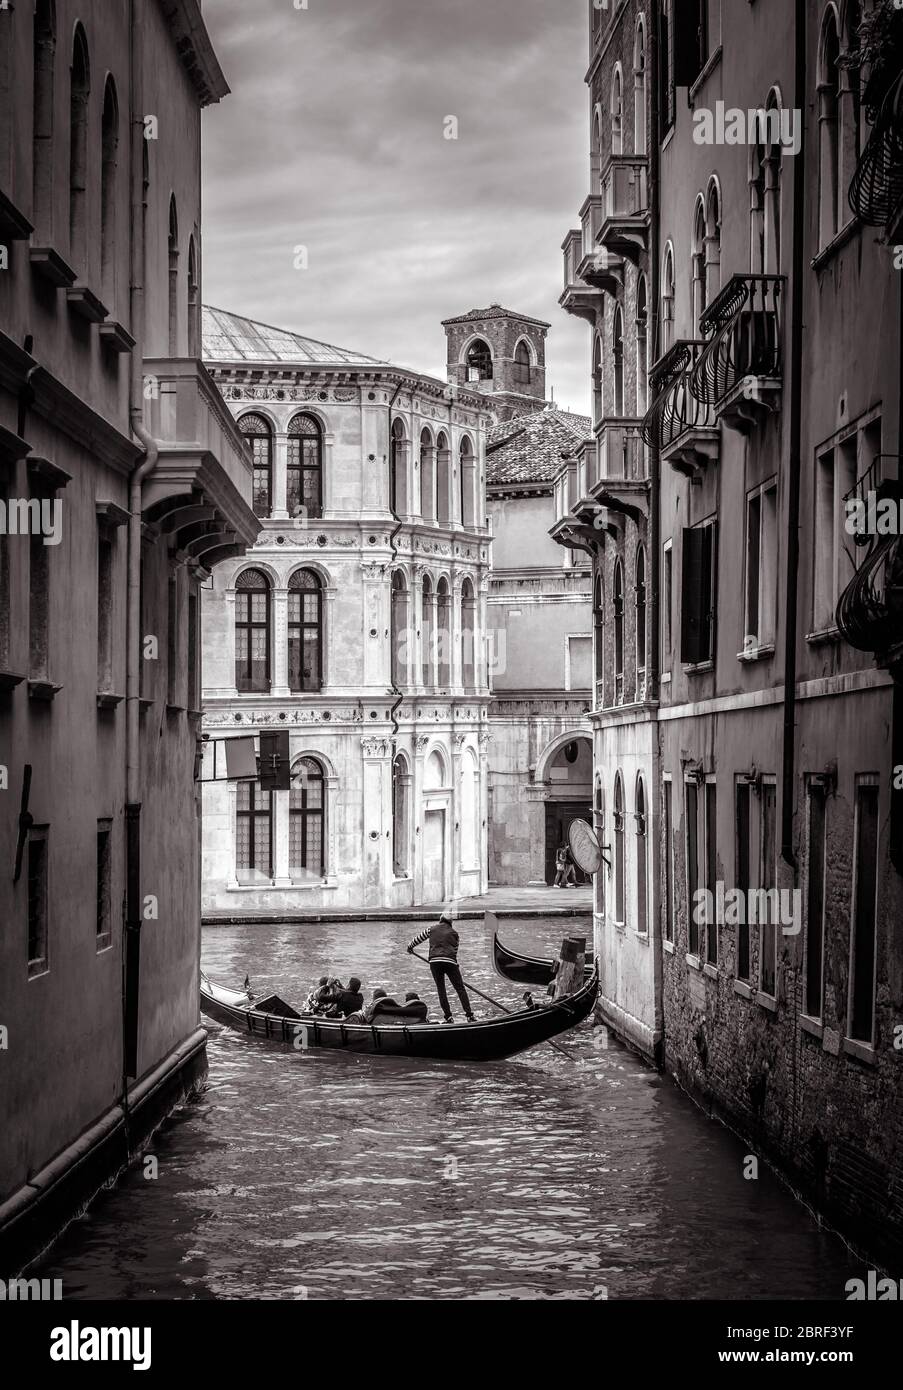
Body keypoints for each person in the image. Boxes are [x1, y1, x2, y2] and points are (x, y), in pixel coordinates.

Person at [407, 912, 475, 1023]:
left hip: (435, 962)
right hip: (450, 962)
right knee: (460, 988)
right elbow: (454, 952)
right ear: (450, 923)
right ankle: (469, 1015)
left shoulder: (431, 929)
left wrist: (410, 947)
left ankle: (448, 1017)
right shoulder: (455, 934)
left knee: (441, 989)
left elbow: (418, 939)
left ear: (441, 920)